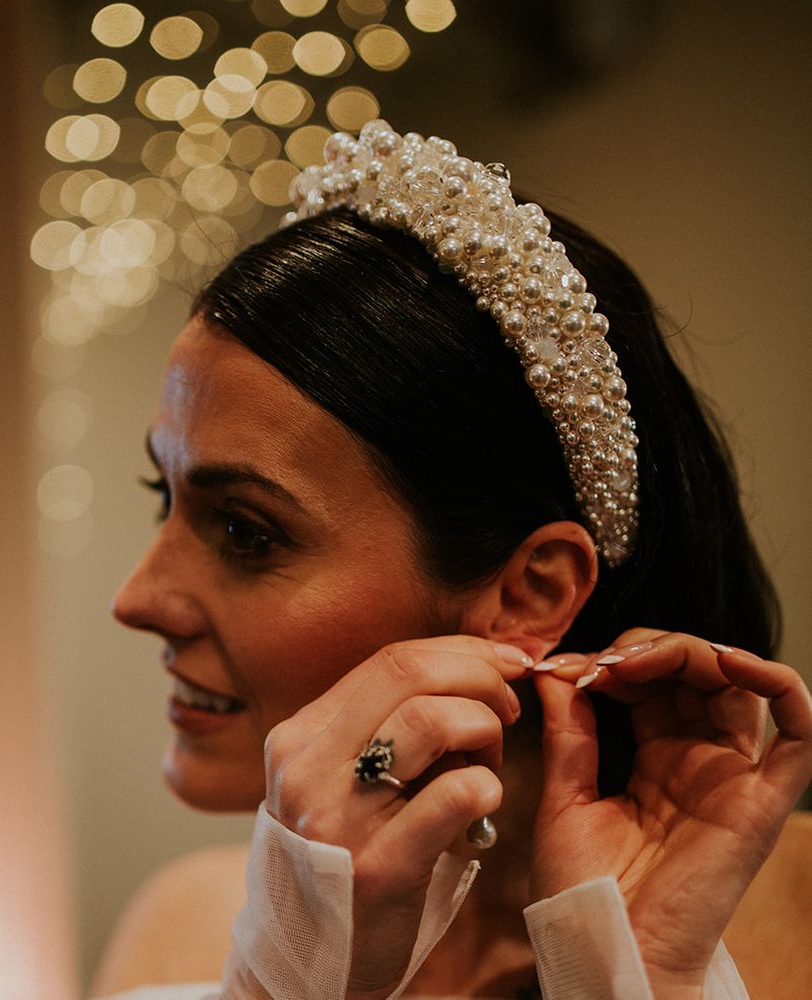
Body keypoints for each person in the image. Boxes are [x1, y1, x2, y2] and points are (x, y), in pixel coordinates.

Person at [93, 122, 812, 999]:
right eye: (162, 496)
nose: (137, 598)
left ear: (527, 593)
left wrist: (633, 971)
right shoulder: (185, 926)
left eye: (246, 531)